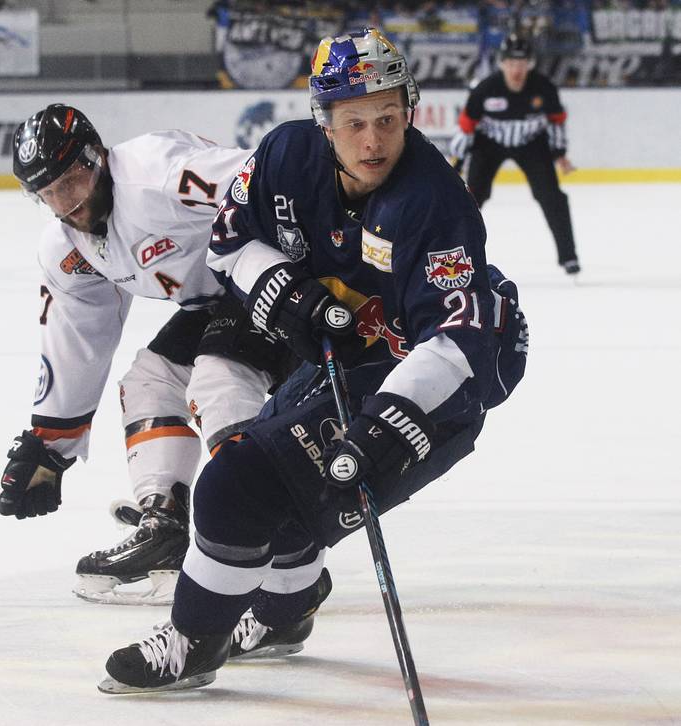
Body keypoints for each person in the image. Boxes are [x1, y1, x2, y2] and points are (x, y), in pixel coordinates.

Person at [98, 28, 528, 694]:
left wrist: (391, 420)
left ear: (409, 110)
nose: (373, 141)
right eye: (354, 122)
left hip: (440, 389)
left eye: (387, 118)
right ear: (323, 123)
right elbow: (229, 239)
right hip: (356, 357)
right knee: (286, 492)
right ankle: (280, 615)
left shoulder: (432, 203)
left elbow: (456, 337)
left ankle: (194, 640)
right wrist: (284, 290)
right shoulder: (286, 156)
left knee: (237, 485)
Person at [0, 104, 329, 659]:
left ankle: (266, 537)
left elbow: (264, 177)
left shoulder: (156, 174)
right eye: (48, 193)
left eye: (73, 180)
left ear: (96, 158)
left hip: (280, 279)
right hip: (219, 301)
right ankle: (165, 522)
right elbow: (80, 340)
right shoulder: (67, 250)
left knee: (220, 380)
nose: (67, 203)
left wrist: (329, 264)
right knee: (149, 380)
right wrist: (48, 450)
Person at [449, 31, 580, 275]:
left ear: (529, 64)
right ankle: (455, 256)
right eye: (511, 64)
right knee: (471, 200)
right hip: (489, 144)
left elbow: (557, 120)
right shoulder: (485, 90)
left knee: (552, 197)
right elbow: (466, 128)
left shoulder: (544, 88)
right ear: (502, 64)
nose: (516, 70)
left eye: (521, 64)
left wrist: (559, 153)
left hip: (532, 143)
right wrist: (456, 163)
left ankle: (569, 257)